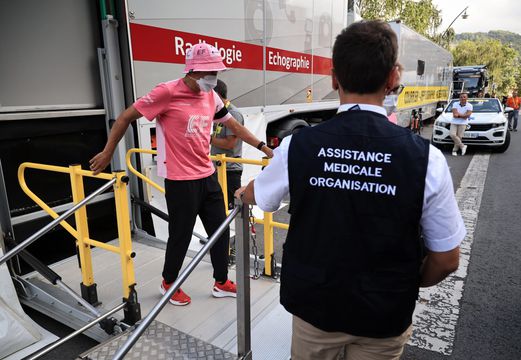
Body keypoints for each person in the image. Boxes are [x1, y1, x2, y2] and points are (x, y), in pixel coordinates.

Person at [235, 20, 465, 360]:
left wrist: (243, 194)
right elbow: (446, 259)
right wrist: (400, 284)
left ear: (333, 78)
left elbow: (261, 197)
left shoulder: (298, 146)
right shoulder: (425, 158)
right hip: (384, 317)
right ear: (393, 78)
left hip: (316, 313)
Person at [89, 43, 273, 306]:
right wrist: (108, 152)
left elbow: (232, 126)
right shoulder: (167, 92)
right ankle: (169, 282)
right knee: (181, 235)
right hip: (180, 179)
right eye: (210, 73)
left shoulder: (212, 96)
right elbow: (124, 118)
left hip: (207, 175)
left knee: (221, 231)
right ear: (194, 71)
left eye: (216, 72)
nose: (214, 79)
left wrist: (264, 147)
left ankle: (221, 281)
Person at [211, 79, 244, 210]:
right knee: (220, 208)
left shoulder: (233, 113)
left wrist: (207, 139)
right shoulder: (218, 111)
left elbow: (230, 144)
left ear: (217, 95)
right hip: (218, 167)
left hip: (230, 169)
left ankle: (237, 231)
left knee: (232, 211)